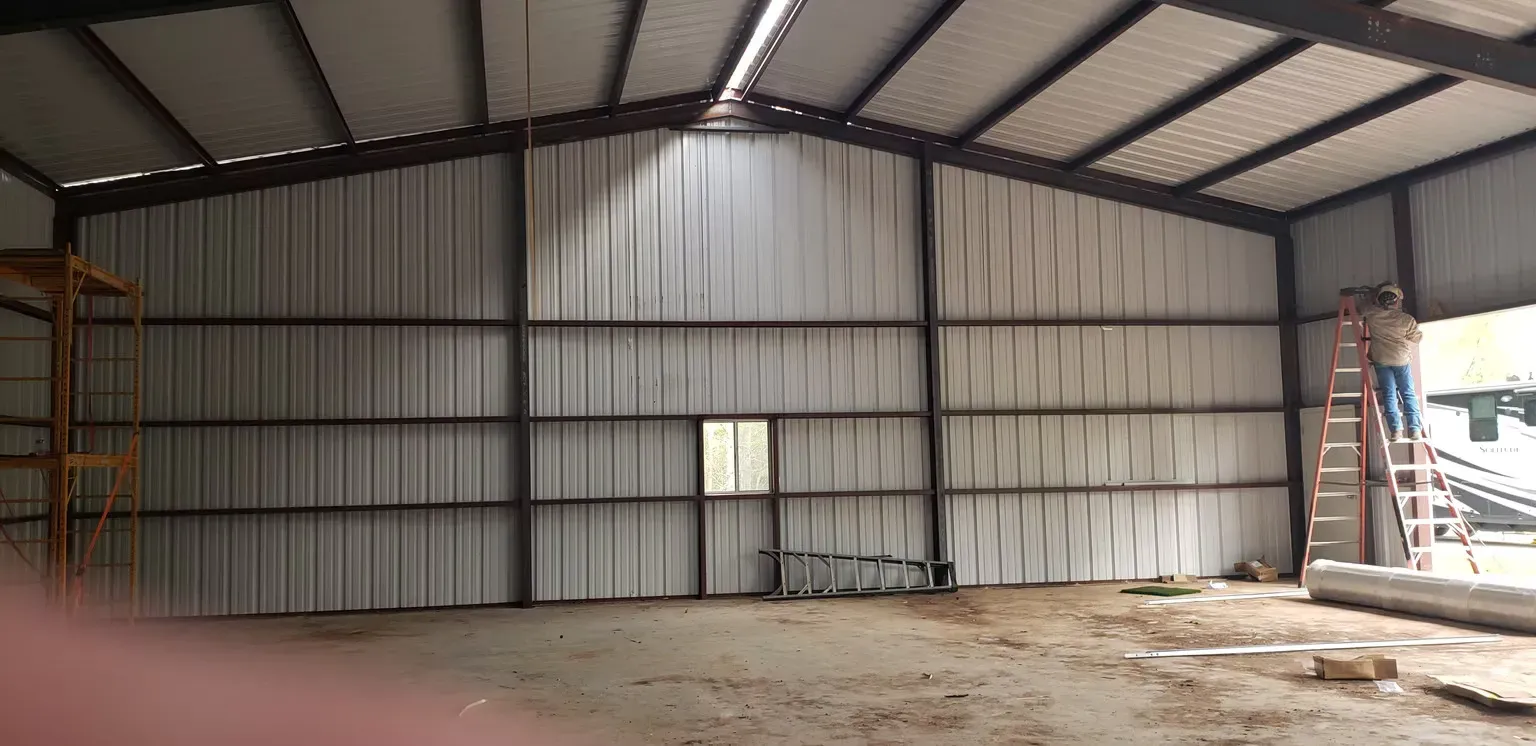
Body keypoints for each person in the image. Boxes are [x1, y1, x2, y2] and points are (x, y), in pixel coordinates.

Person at [1356, 282, 1423, 441]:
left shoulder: (1372, 317)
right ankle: (1414, 429)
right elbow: (1417, 338)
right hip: (1401, 359)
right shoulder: (1407, 320)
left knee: (1389, 394)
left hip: (1381, 360)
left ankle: (1396, 431)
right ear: (1397, 301)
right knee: (1408, 393)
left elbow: (1361, 309)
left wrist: (1374, 296)